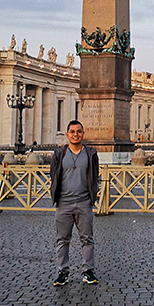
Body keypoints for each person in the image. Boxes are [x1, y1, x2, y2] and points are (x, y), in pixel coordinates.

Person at [50, 120, 100, 286]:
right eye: (72, 132)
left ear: (83, 134)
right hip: (64, 203)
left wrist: (93, 195)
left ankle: (88, 271)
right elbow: (54, 174)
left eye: (78, 131)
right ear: (67, 135)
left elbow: (94, 175)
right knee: (62, 240)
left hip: (84, 201)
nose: (75, 134)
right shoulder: (59, 154)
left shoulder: (90, 154)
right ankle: (62, 272)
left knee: (87, 239)